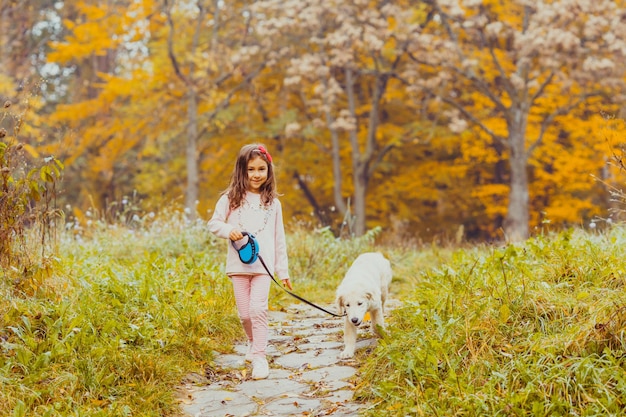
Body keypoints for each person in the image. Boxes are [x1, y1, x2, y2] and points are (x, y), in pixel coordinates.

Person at [207, 143, 293, 380]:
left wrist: (282, 270)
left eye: (261, 169)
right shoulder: (230, 198)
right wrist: (229, 229)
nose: (256, 174)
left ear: (269, 171)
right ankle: (253, 341)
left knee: (258, 310)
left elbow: (279, 238)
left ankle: (260, 357)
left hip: (263, 268)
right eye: (251, 169)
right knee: (245, 315)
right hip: (238, 266)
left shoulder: (273, 203)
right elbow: (213, 223)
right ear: (241, 170)